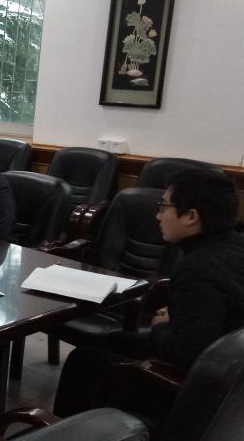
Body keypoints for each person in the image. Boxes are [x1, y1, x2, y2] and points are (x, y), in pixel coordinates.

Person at [54, 168, 244, 425]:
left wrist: (161, 325)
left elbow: (185, 353)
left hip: (197, 392)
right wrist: (179, 316)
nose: (157, 215)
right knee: (114, 340)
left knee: (85, 361)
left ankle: (68, 440)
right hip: (231, 378)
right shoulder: (234, 246)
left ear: (191, 216)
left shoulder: (199, 267)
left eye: (163, 207)